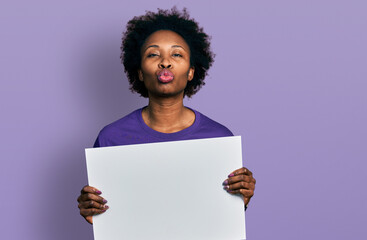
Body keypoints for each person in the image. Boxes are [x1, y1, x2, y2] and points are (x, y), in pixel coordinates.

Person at [77, 7, 256, 225]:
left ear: (191, 71)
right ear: (140, 72)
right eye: (153, 54)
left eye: (177, 54)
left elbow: (219, 220)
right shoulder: (111, 138)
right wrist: (91, 210)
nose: (165, 62)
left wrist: (241, 201)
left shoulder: (219, 138)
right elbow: (110, 218)